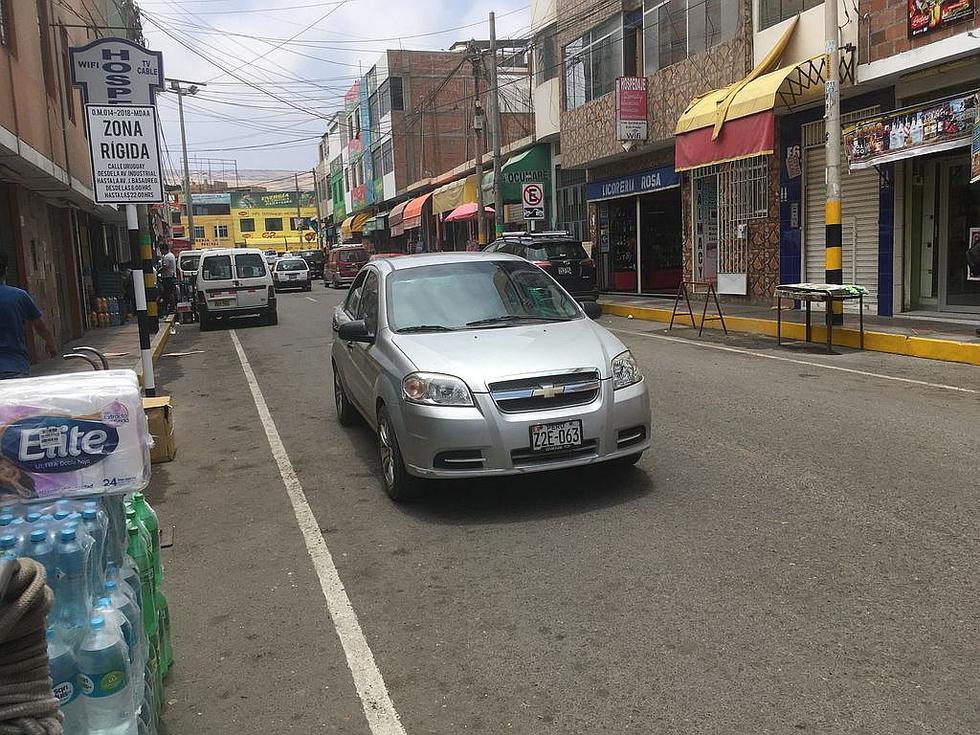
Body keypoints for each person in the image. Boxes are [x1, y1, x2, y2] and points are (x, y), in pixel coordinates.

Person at [0, 252, 57, 379]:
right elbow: (40, 327)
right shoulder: (19, 296)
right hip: (14, 366)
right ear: (6, 272)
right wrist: (51, 343)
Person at [158, 244, 177, 315]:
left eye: (161, 250)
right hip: (171, 276)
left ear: (164, 249)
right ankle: (172, 307)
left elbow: (165, 267)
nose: (161, 252)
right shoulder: (171, 255)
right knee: (170, 293)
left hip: (168, 277)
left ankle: (170, 308)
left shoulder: (167, 257)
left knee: (167, 293)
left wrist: (159, 271)